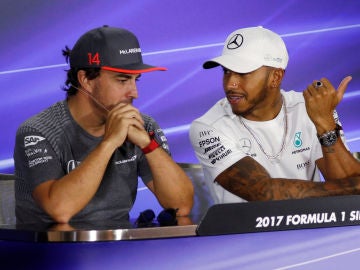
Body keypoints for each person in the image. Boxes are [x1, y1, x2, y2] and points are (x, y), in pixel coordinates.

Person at [14, 26, 194, 224]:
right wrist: (109, 143)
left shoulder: (142, 126)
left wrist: (148, 144)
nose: (134, 93)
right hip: (51, 252)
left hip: (119, 250)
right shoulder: (38, 131)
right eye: (123, 80)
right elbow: (61, 210)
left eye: (136, 80)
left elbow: (181, 206)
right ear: (86, 80)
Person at [189, 26, 360, 204]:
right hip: (243, 232)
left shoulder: (309, 109)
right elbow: (263, 192)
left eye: (242, 73)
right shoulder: (208, 127)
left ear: (275, 77)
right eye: (226, 71)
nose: (230, 83)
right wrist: (351, 189)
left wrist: (326, 125)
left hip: (312, 229)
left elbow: (347, 180)